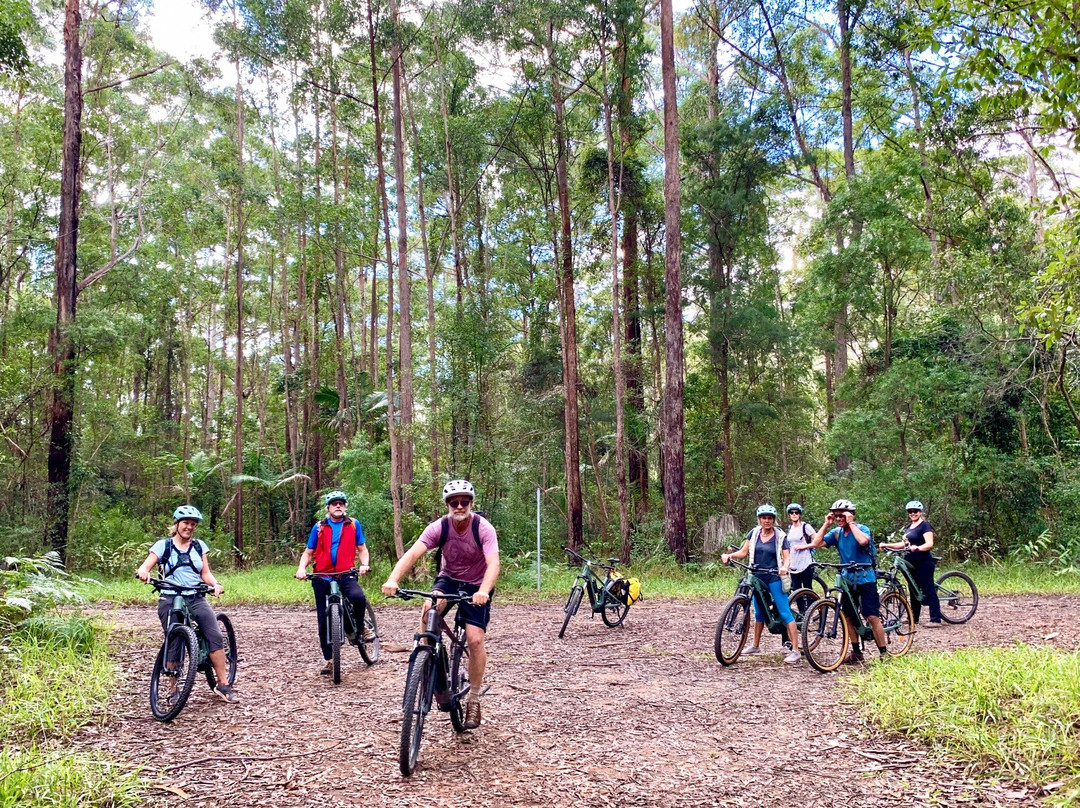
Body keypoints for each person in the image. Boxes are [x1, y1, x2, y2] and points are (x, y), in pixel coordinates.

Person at [382, 479, 500, 730]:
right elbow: (413, 553)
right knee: (429, 610)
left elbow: (493, 563)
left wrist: (483, 591)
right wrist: (393, 579)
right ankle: (428, 663)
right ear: (447, 504)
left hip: (477, 584)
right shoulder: (439, 527)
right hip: (448, 579)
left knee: (475, 639)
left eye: (464, 502)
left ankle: (474, 699)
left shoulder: (483, 528)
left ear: (471, 503)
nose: (459, 506)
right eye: (454, 502)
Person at [135, 505, 238, 704]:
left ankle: (223, 684)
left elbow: (205, 573)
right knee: (174, 639)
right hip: (170, 597)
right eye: (185, 523)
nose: (189, 527)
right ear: (177, 524)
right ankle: (174, 689)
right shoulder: (162, 545)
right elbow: (146, 565)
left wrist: (215, 584)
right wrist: (144, 572)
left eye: (193, 524)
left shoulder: (199, 546)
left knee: (215, 635)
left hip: (195, 596)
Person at [295, 490, 374, 675]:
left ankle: (360, 626)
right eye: (334, 503)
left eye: (341, 503)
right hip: (322, 576)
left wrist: (364, 564)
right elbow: (308, 552)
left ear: (345, 506)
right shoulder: (319, 527)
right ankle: (330, 660)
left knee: (358, 597)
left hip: (346, 573)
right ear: (328, 507)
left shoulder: (353, 524)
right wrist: (301, 569)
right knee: (323, 619)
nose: (338, 506)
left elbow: (362, 548)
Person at [805, 498, 887, 663]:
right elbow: (816, 543)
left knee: (871, 616)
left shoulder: (862, 529)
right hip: (847, 578)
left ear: (850, 514)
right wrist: (826, 524)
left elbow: (863, 541)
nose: (839, 519)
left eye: (842, 515)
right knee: (848, 616)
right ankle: (857, 652)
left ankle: (883, 652)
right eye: (836, 516)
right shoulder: (836, 532)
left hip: (865, 577)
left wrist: (851, 524)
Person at [721, 504, 802, 664]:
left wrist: (785, 567)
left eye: (770, 518)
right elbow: (744, 552)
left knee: (785, 613)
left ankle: (796, 650)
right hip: (756, 577)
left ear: (774, 520)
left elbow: (787, 557)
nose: (767, 521)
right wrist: (730, 556)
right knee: (759, 613)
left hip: (774, 578)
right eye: (764, 518)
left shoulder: (780, 536)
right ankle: (755, 646)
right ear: (759, 519)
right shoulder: (754, 533)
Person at [880, 500, 941, 627]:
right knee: (913, 589)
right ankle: (914, 618)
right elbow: (904, 544)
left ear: (920, 512)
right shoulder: (909, 527)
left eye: (915, 511)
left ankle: (935, 619)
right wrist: (887, 545)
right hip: (910, 562)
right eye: (910, 511)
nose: (913, 513)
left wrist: (918, 548)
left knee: (928, 588)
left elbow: (929, 544)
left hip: (923, 561)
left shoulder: (925, 526)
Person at [785, 503, 817, 591]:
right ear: (789, 515)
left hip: (806, 563)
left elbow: (818, 541)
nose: (794, 514)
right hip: (793, 564)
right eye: (792, 513)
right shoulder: (790, 528)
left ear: (800, 514)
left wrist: (804, 546)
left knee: (807, 589)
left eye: (796, 512)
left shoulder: (806, 527)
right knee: (796, 590)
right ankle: (800, 606)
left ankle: (813, 605)